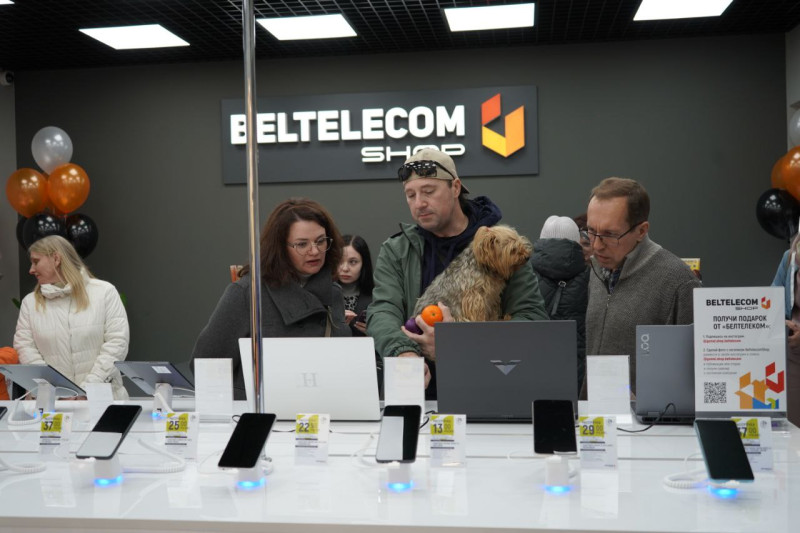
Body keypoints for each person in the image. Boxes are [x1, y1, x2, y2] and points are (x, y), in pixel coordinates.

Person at [367, 148, 548, 397]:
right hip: (417, 392)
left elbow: (532, 318)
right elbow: (383, 311)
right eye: (410, 195)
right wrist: (403, 352)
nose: (419, 203)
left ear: (455, 187)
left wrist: (461, 346)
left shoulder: (501, 246)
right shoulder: (397, 250)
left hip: (489, 389)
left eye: (429, 191)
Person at [192, 198, 350, 399]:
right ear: (280, 247)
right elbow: (206, 365)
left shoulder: (332, 292)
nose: (315, 251)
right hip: (258, 411)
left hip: (320, 407)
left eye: (320, 241)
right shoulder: (248, 293)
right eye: (302, 244)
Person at [585, 177, 701, 394]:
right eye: (591, 231)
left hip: (650, 414)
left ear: (641, 231)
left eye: (610, 234)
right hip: (596, 409)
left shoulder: (678, 281)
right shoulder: (597, 270)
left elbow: (694, 368)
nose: (597, 245)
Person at [13, 235, 130, 399]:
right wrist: (56, 390)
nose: (31, 270)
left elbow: (117, 344)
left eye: (36, 261)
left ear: (56, 259)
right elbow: (24, 347)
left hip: (101, 401)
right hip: (51, 403)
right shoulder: (30, 303)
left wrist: (88, 389)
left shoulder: (105, 292)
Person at [531, 216, 589, 394]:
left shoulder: (521, 276)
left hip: (529, 369)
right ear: (577, 242)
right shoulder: (594, 277)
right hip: (578, 375)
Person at [770, 233, 800, 426]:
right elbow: (771, 303)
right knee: (793, 423)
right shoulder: (789, 258)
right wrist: (782, 323)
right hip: (793, 352)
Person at [337, 234, 374, 337]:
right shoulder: (322, 296)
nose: (345, 268)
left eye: (353, 262)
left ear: (364, 264)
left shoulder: (377, 297)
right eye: (339, 261)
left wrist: (375, 332)